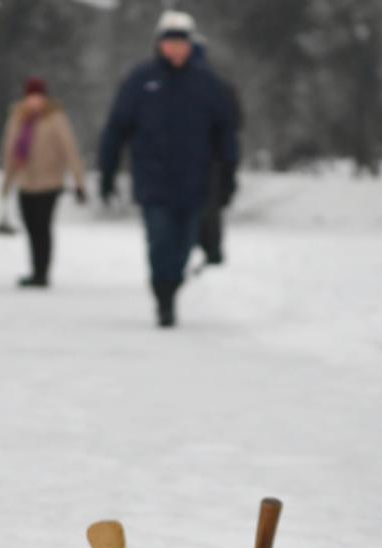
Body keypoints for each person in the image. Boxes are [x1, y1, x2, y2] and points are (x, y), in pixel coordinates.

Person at [98, 10, 239, 328]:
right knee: (159, 241)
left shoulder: (207, 84)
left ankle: (171, 285)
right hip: (153, 180)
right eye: (170, 42)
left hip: (194, 182)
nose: (176, 49)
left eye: (181, 43)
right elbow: (116, 129)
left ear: (191, 45)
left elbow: (226, 135)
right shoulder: (141, 80)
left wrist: (228, 178)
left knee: (184, 244)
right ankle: (164, 297)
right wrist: (107, 173)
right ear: (159, 44)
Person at [1, 77, 88, 289]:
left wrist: (79, 182)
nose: (35, 101)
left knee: (42, 227)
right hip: (26, 182)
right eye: (31, 97)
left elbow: (70, 150)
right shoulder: (17, 118)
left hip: (50, 182)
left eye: (38, 97)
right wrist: (7, 183)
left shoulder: (56, 118)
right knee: (31, 227)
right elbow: (10, 152)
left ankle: (42, 273)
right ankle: (35, 270)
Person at [197, 64, 243, 268]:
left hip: (210, 160)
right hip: (212, 160)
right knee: (209, 208)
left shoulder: (218, 88)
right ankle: (210, 250)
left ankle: (210, 251)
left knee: (207, 208)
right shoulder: (221, 87)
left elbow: (233, 125)